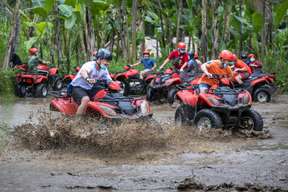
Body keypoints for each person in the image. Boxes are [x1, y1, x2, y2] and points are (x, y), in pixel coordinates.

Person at [71, 48, 113, 115]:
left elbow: (109, 80)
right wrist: (88, 79)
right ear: (99, 59)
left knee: (105, 95)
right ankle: (77, 121)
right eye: (106, 61)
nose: (108, 63)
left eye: (109, 61)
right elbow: (83, 72)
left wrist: (114, 84)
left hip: (90, 88)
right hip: (78, 87)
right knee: (85, 99)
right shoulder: (89, 65)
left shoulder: (104, 69)